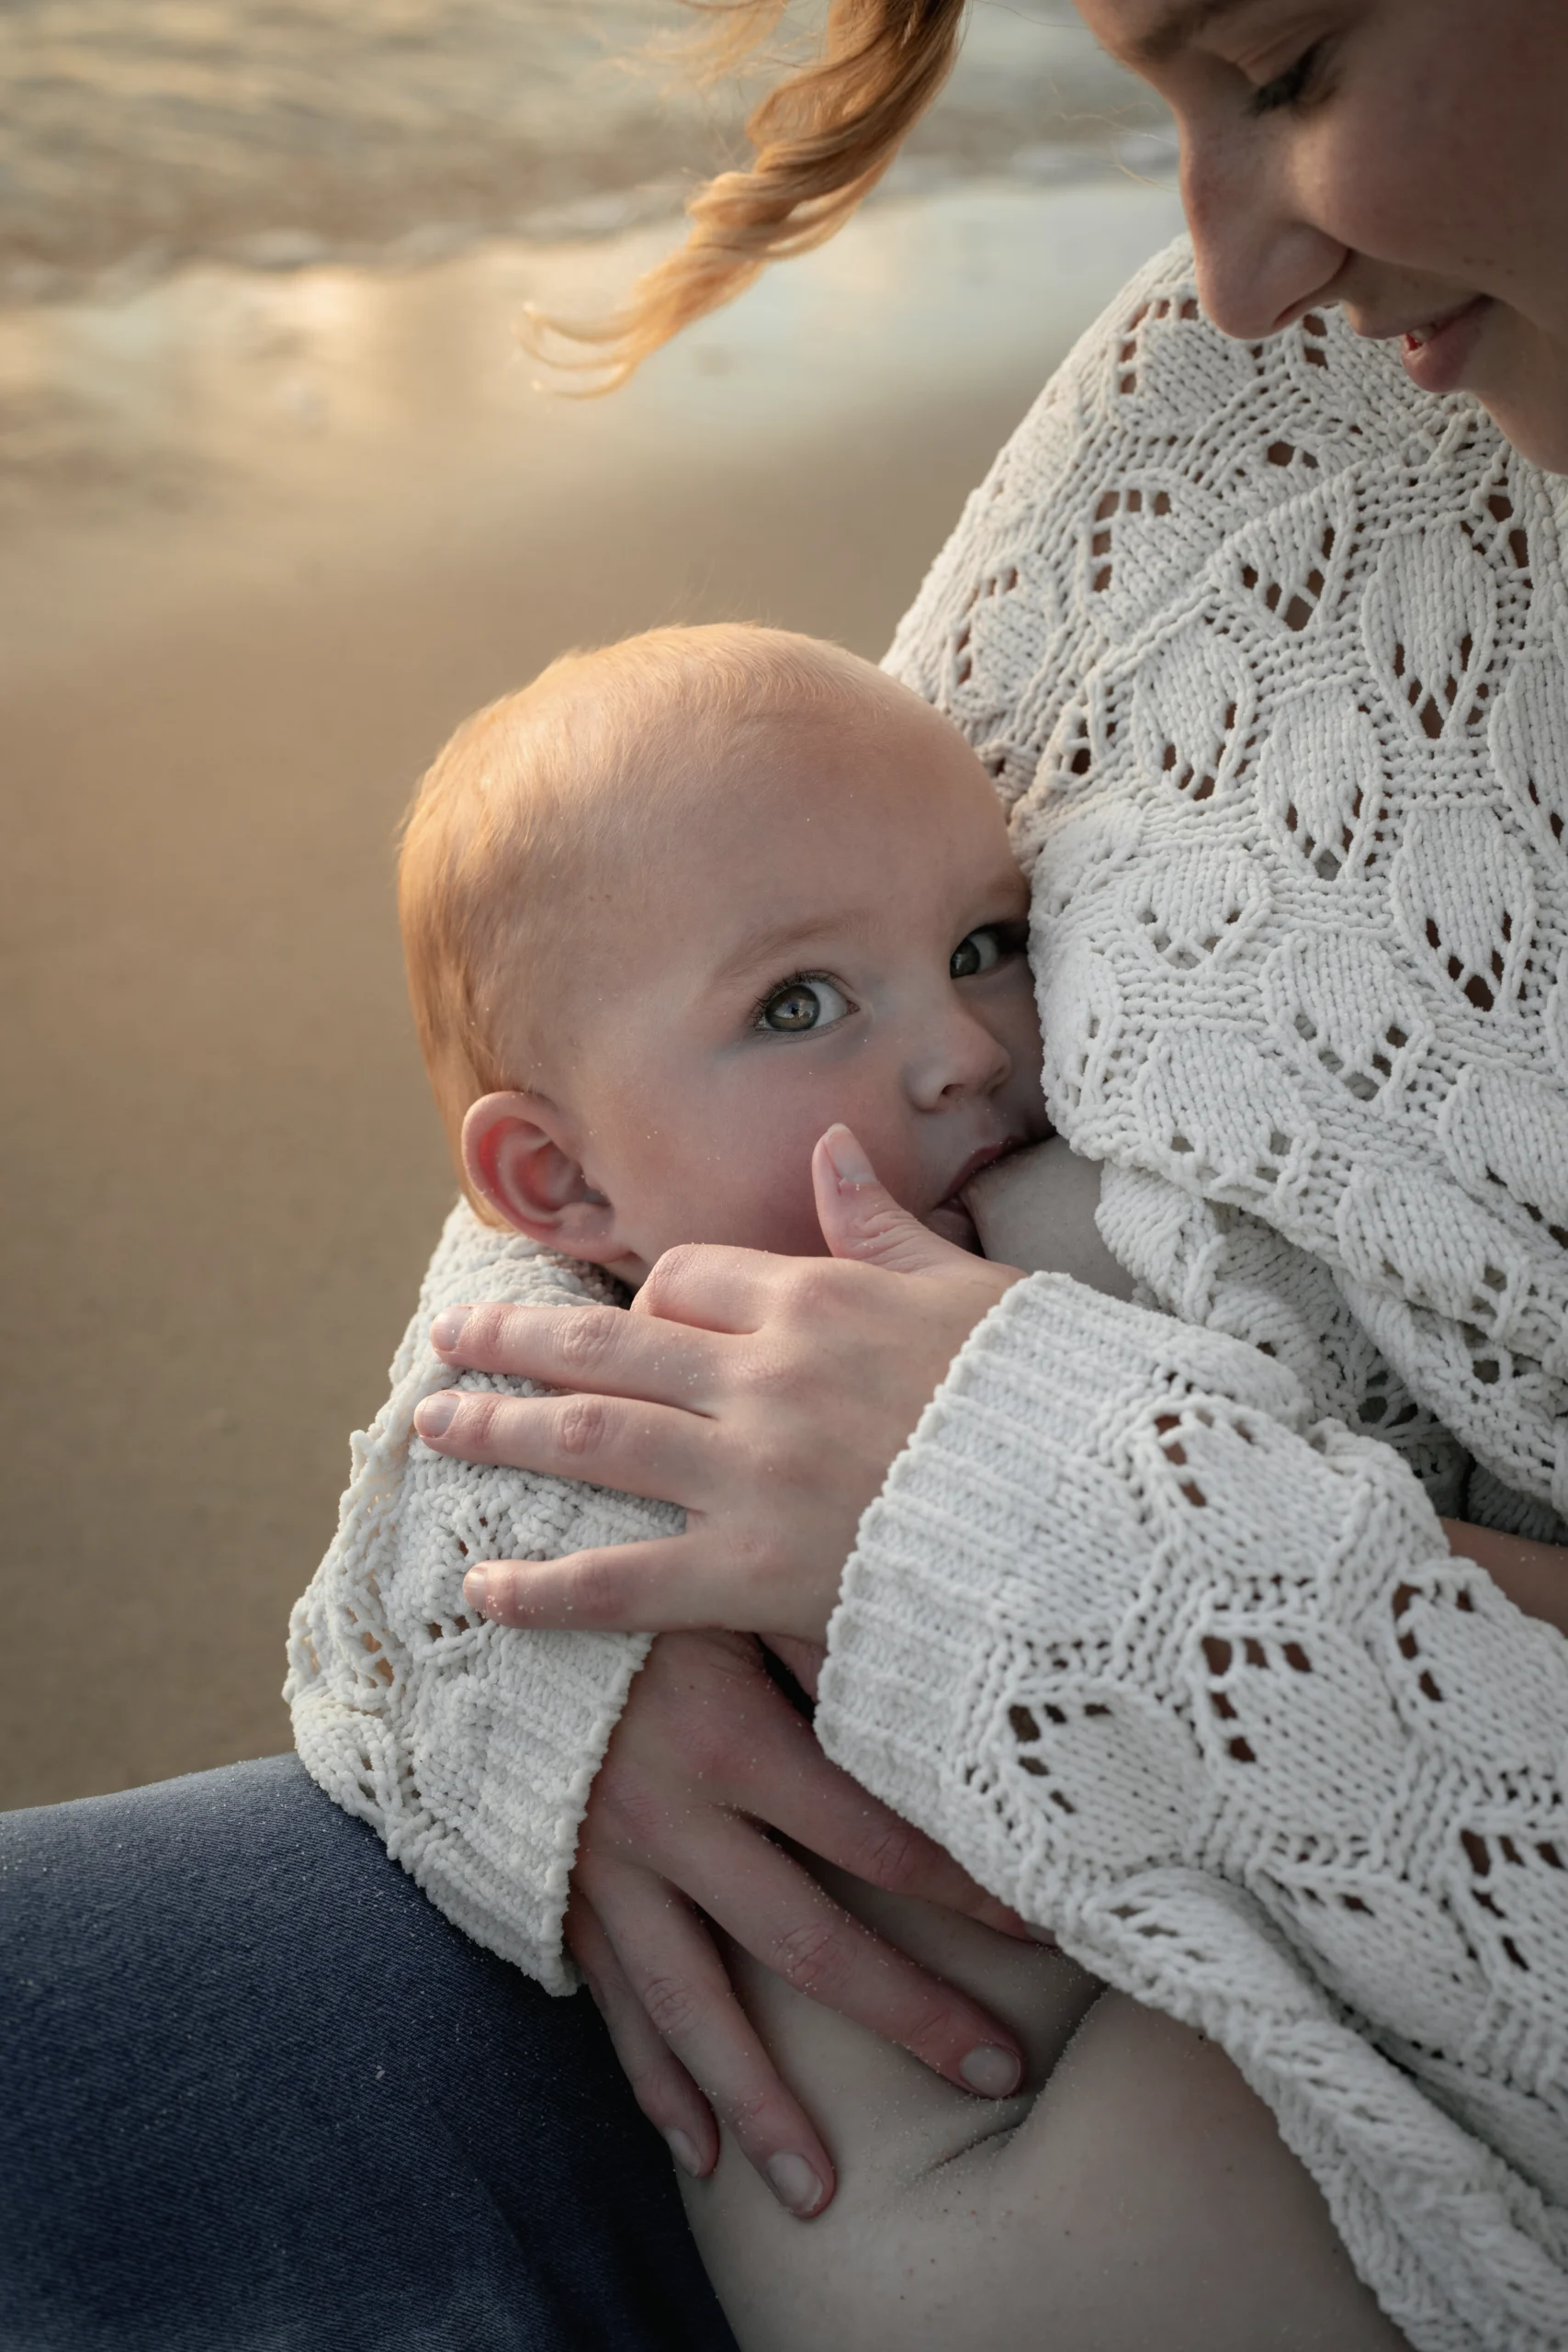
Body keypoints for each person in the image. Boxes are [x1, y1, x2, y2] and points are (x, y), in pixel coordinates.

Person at [5, 3, 1568, 2347]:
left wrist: (1056, 1523)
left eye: (1286, 62)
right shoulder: (1270, 414)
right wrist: (557, 1618)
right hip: (684, 2008)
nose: (1226, 263)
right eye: (1149, 95)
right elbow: (628, 1035)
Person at [290, 616, 1568, 2352]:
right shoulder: (545, 1403)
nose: (966, 1046)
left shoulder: (1016, 1257)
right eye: (799, 1003)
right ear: (555, 1182)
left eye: (984, 944)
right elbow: (373, 1638)